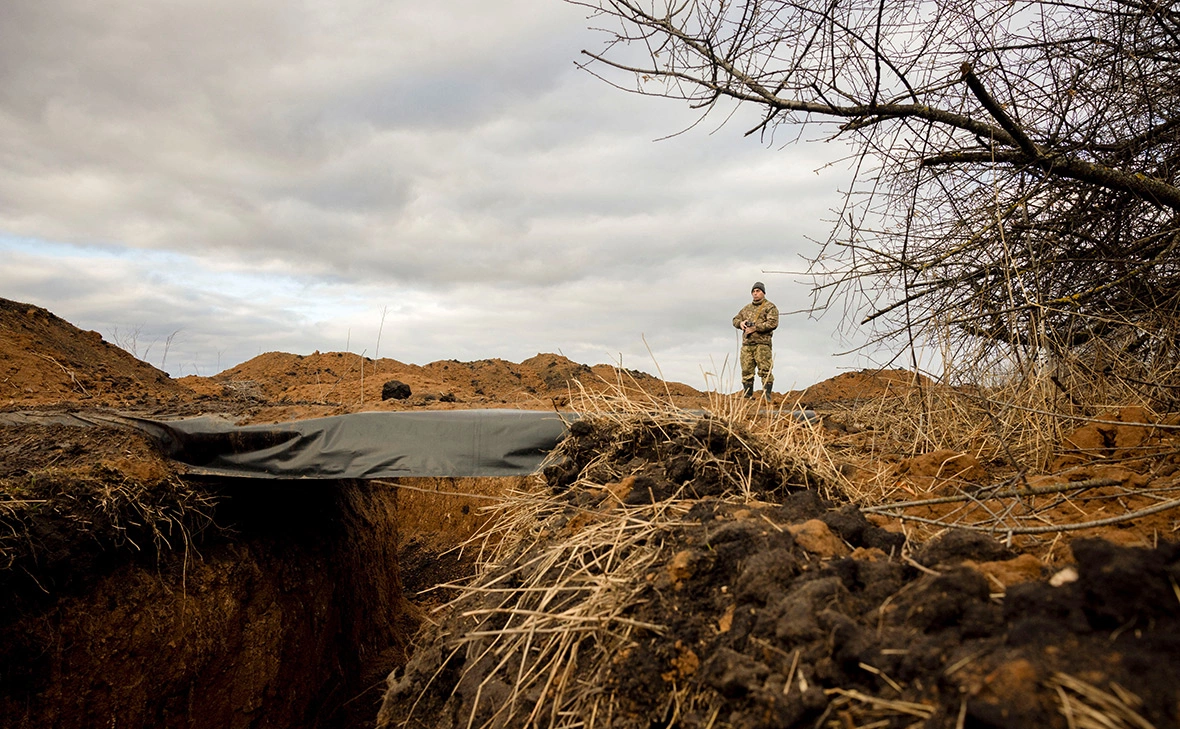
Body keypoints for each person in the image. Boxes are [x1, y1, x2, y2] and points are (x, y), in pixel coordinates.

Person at [732, 281, 779, 399]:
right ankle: (747, 396)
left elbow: (773, 323)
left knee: (765, 371)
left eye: (758, 291)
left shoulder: (770, 307)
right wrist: (741, 323)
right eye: (753, 291)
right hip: (747, 344)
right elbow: (735, 319)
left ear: (763, 292)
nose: (755, 293)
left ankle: (767, 397)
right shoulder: (746, 308)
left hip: (762, 344)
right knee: (746, 371)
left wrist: (755, 328)